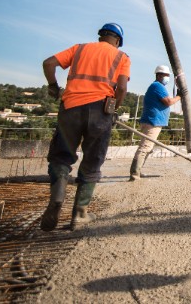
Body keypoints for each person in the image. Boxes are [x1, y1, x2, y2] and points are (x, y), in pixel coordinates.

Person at [40, 22, 131, 231]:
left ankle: (57, 198)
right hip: (100, 110)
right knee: (92, 160)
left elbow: (48, 64)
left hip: (70, 107)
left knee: (61, 157)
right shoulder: (121, 57)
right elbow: (122, 88)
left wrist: (53, 86)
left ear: (100, 36)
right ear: (117, 41)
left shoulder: (79, 49)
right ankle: (79, 214)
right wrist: (113, 108)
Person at [129, 65, 182, 181]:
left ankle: (137, 171)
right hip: (152, 122)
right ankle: (134, 173)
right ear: (159, 75)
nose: (167, 78)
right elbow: (168, 102)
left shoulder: (157, 86)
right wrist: (179, 96)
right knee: (145, 147)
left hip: (153, 121)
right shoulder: (157, 86)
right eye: (166, 75)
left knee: (147, 148)